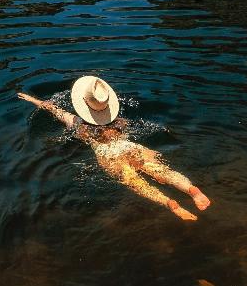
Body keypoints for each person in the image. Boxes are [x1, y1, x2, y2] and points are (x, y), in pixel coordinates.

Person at [19, 75, 212, 221]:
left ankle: (169, 203)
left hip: (107, 154)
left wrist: (33, 100)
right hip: (129, 146)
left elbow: (54, 110)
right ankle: (191, 190)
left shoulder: (77, 123)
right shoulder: (119, 120)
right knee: (162, 171)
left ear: (84, 104)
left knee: (136, 182)